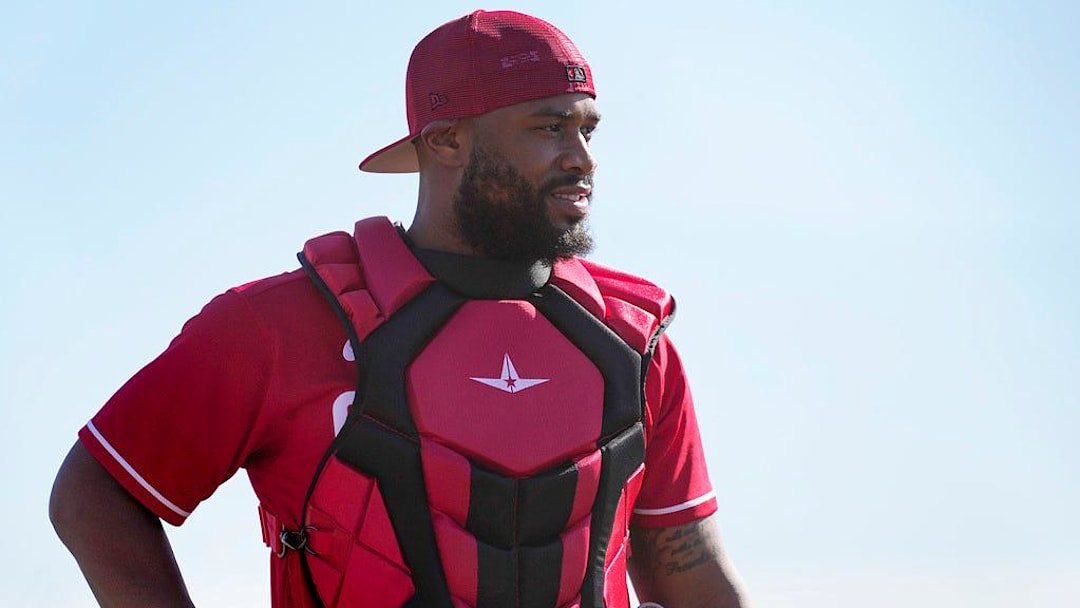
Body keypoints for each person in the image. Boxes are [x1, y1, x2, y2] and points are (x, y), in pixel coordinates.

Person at [50, 9, 751, 608]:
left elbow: (689, 571)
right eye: (548, 128)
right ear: (446, 141)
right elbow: (96, 494)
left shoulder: (633, 342)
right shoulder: (277, 326)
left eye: (588, 131)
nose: (582, 158)